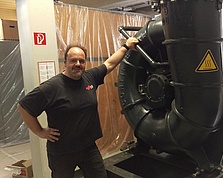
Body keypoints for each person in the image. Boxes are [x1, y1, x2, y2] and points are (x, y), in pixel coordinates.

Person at [17, 37, 139, 178]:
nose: (78, 64)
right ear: (65, 62)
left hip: (88, 148)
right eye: (73, 60)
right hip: (62, 152)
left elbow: (110, 63)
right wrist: (40, 131)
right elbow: (24, 106)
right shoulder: (51, 87)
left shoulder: (90, 77)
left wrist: (126, 46)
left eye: (81, 61)